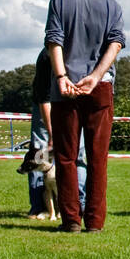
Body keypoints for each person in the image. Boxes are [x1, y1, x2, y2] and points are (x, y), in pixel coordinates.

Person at [43, 0, 125, 233]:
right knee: (97, 157)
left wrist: (62, 77)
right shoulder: (112, 5)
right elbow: (116, 43)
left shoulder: (59, 1)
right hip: (99, 87)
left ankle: (70, 222)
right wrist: (98, 75)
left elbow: (54, 40)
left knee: (66, 157)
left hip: (65, 88)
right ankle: (95, 222)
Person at [28, 48, 85, 218]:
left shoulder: (78, 54)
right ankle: (40, 207)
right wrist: (52, 133)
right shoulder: (46, 56)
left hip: (73, 104)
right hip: (45, 105)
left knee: (78, 154)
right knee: (39, 154)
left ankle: (79, 204)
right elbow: (43, 99)